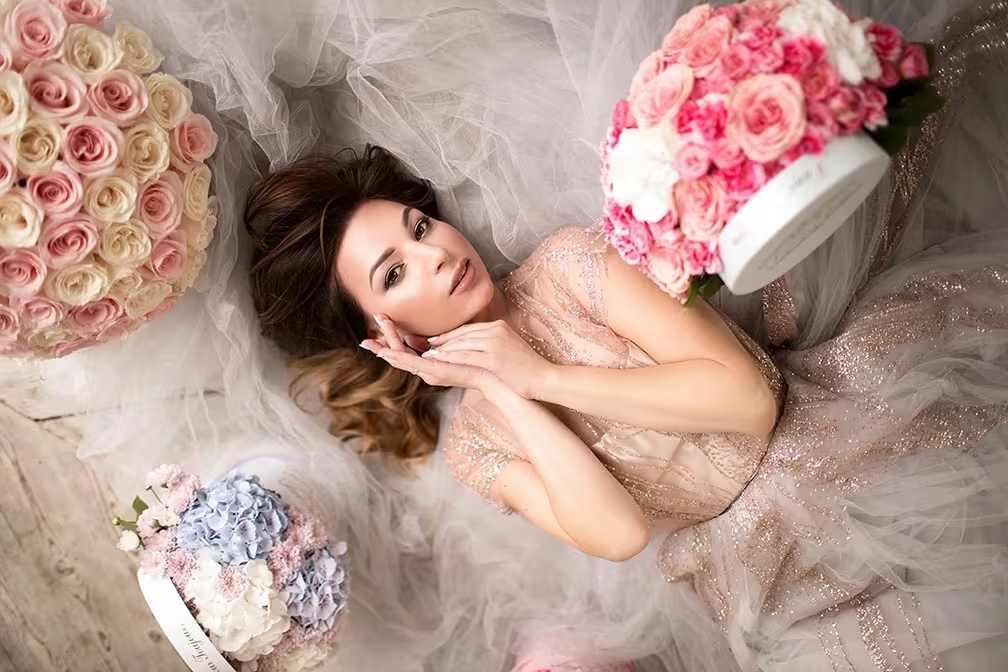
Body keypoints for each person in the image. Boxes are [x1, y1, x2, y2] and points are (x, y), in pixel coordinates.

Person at [243, 14, 1008, 668]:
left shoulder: (570, 265)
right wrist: (507, 386)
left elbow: (750, 403)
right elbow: (618, 531)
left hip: (843, 450)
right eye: (394, 272)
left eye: (419, 228)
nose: (435, 254)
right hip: (761, 577)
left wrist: (545, 377)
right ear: (381, 333)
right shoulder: (477, 447)